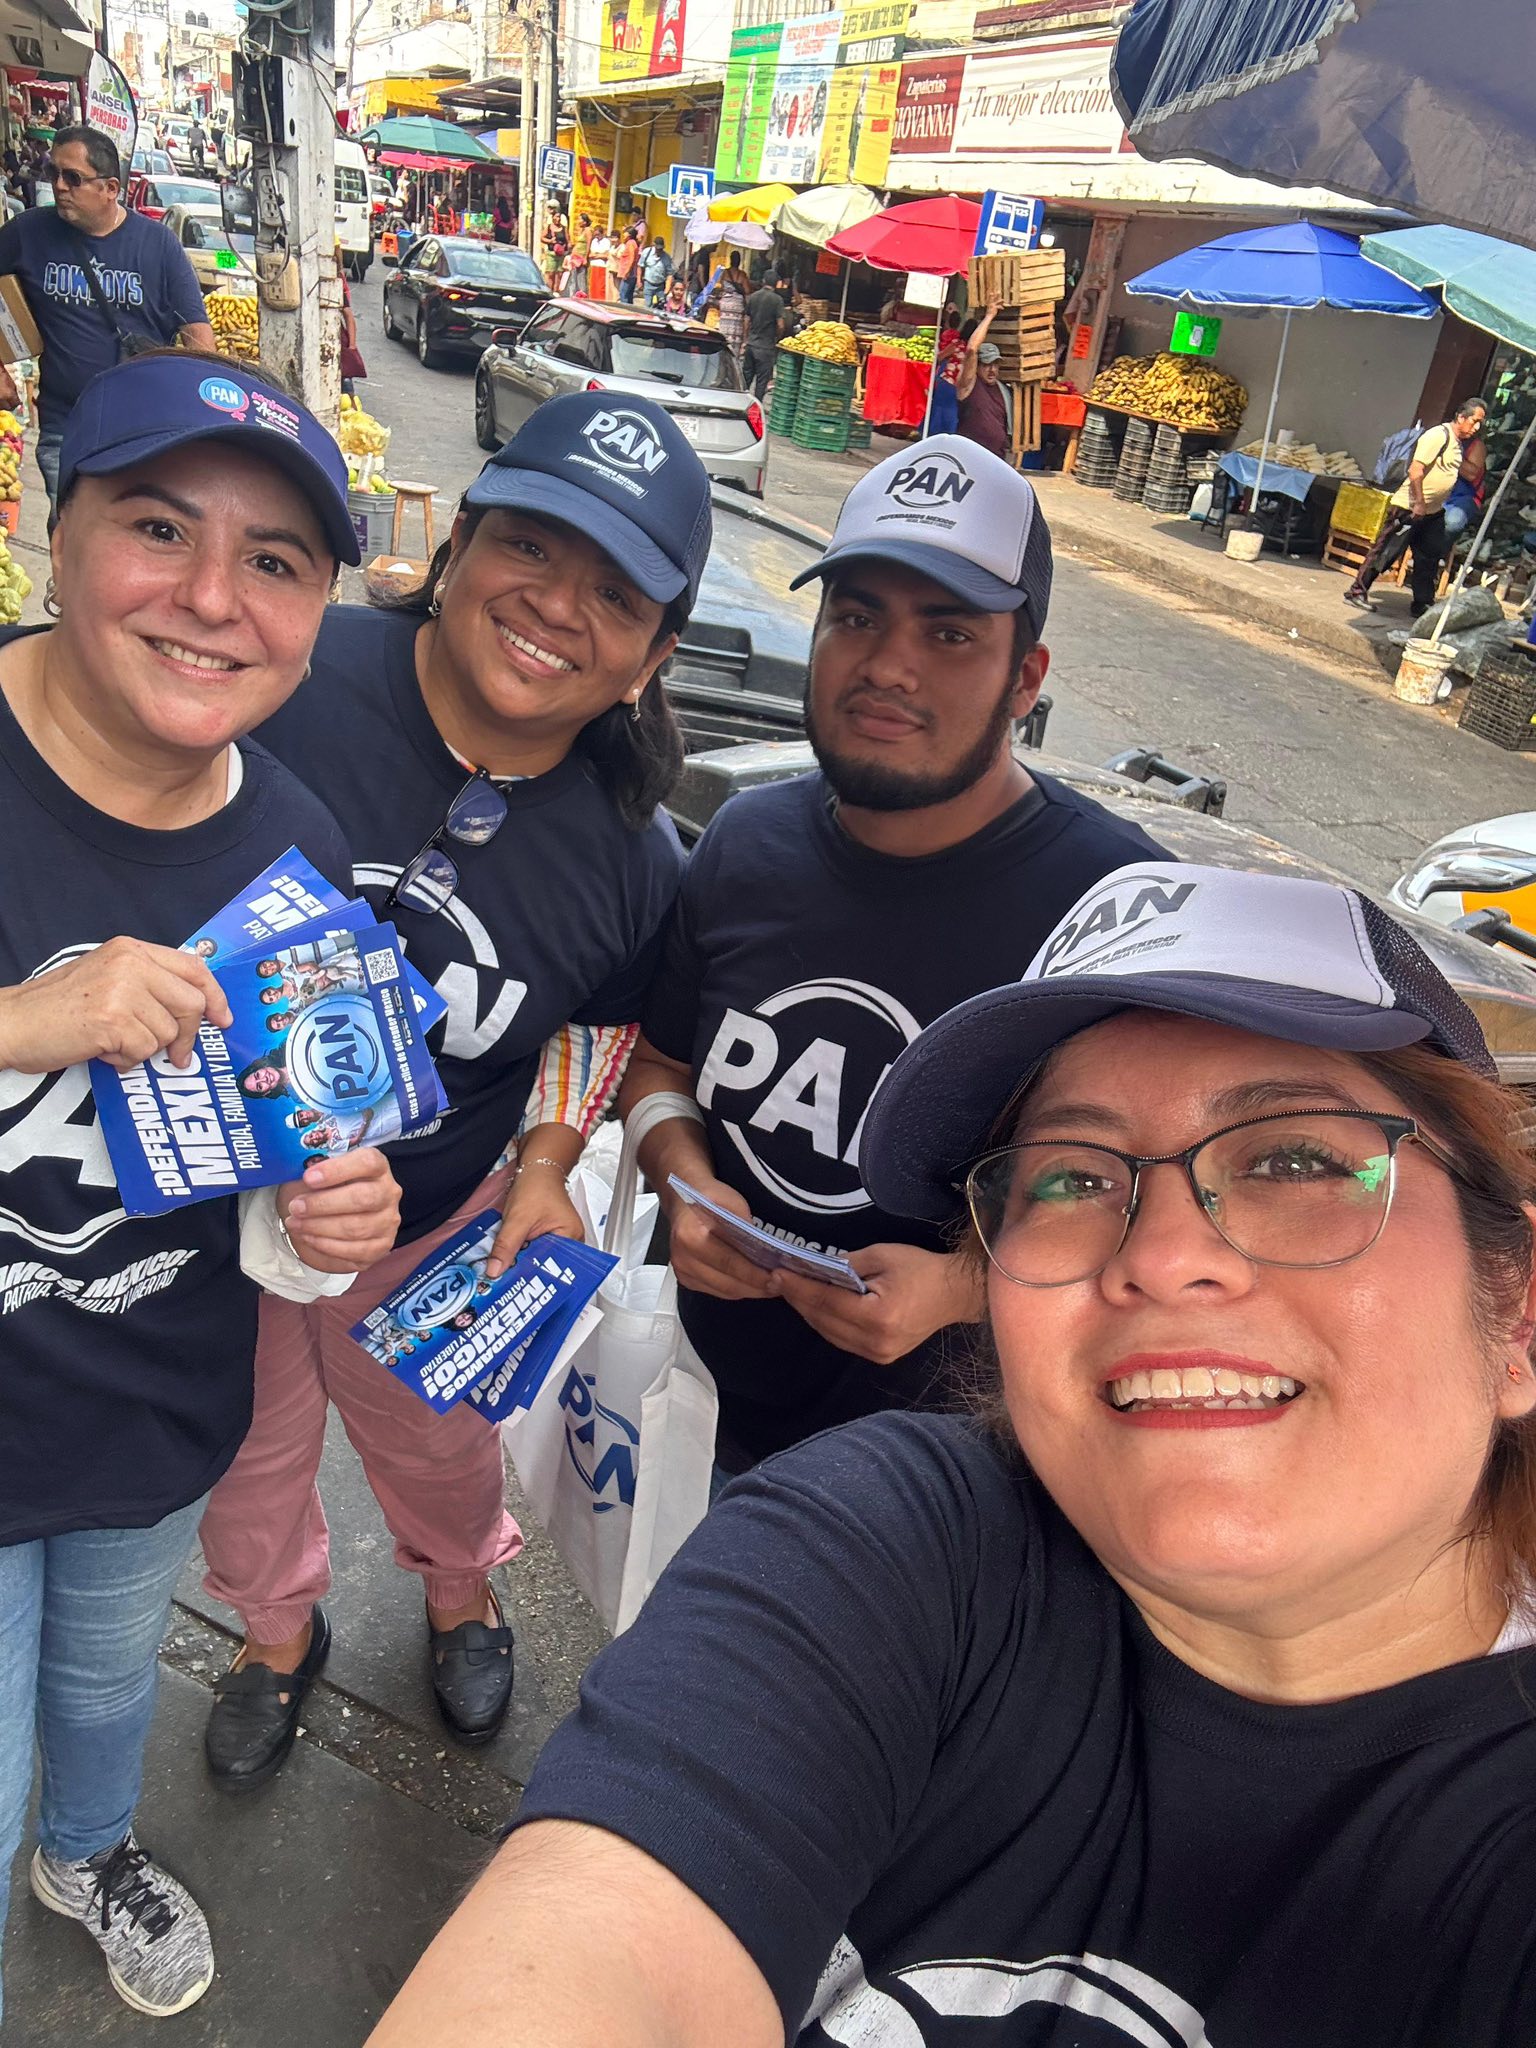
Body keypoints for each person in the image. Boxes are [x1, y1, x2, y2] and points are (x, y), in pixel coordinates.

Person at [371, 860, 1536, 2048]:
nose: (1164, 1254)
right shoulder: (882, 1549)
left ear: (1520, 1305)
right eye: (1075, 1177)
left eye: (1295, 1160)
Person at [197, 391, 711, 1786]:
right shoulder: (291, 678)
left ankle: (458, 1590)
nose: (557, 607)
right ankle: (273, 1630)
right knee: (241, 1450)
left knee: (436, 1442)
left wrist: (543, 1171)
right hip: (207, 1201)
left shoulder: (635, 859)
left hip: (436, 1219)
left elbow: (597, 1030)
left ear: (652, 656)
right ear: (459, 543)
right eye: (532, 548)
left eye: (616, 594)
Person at [0, 349, 400, 2029]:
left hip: (153, 1395)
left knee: (103, 1681)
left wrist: (328, 1223)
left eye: (278, 562)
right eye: (160, 526)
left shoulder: (292, 850)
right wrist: (36, 1018)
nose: (211, 598)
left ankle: (84, 1851)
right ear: (56, 521)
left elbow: (288, 1156)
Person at [616, 436, 1166, 1478]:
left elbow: (1168, 1204)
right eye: (857, 615)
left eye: (949, 632)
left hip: (958, 1476)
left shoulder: (1115, 910)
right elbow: (660, 1068)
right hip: (700, 1415)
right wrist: (687, 1183)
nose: (888, 666)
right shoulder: (744, 841)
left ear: (1025, 678)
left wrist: (961, 1288)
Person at [0, 125, 213, 512]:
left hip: (143, 430)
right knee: (71, 536)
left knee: (134, 536)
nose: (60, 186)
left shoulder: (158, 245)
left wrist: (198, 420)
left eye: (74, 178)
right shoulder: (28, 233)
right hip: (66, 426)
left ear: (110, 188)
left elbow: (198, 337)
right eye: (54, 173)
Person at [1347, 398, 1489, 616]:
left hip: (1433, 510)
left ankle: (1422, 602)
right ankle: (1357, 591)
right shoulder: (1437, 435)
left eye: (1480, 423)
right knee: (1387, 550)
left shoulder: (1457, 441)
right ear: (1461, 417)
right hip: (1410, 506)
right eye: (1475, 421)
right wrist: (1419, 502)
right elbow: (1416, 470)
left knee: (1429, 555)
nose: (1477, 427)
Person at [955, 298, 1011, 457]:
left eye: (996, 364)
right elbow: (972, 349)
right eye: (987, 365)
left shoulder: (1003, 390)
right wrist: (989, 316)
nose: (992, 370)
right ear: (977, 366)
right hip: (969, 456)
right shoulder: (968, 385)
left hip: (996, 458)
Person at [742, 269, 787, 399]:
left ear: (763, 281)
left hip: (751, 344)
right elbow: (781, 325)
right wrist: (777, 338)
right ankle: (756, 410)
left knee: (746, 380)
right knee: (761, 383)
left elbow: (746, 320)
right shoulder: (777, 300)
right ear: (777, 283)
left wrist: (746, 339)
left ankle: (742, 404)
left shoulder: (754, 296)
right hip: (766, 347)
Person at [713, 252, 749, 361]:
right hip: (737, 306)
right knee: (736, 332)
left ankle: (724, 348)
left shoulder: (724, 273)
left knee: (724, 327)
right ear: (739, 261)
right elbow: (747, 291)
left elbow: (721, 286)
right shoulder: (742, 275)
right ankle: (734, 355)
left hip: (725, 305)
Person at [641, 233, 673, 308]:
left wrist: (667, 289)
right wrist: (639, 280)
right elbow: (640, 266)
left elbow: (669, 274)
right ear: (654, 246)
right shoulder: (647, 252)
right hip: (648, 283)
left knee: (661, 306)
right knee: (648, 306)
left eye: (661, 249)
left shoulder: (666, 257)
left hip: (660, 286)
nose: (659, 250)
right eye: (657, 248)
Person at [613, 224, 640, 304]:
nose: (623, 235)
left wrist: (627, 272)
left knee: (623, 294)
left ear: (629, 234)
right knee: (628, 295)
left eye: (625, 233)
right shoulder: (632, 243)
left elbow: (631, 258)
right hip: (630, 273)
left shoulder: (630, 243)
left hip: (629, 274)